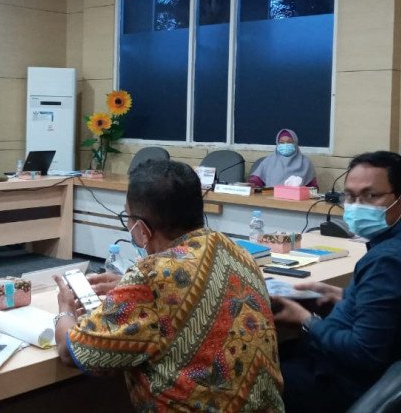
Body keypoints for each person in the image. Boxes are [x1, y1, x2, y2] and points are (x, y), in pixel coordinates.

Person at [53, 160, 284, 412]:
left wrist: (65, 309)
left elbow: (70, 351)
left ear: (142, 229)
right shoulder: (238, 253)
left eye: (127, 218)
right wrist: (128, 288)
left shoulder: (150, 276)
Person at [272, 151, 401, 412]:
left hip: (346, 382)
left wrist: (305, 320)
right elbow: (395, 308)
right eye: (350, 196)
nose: (357, 206)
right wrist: (346, 297)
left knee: (247, 370)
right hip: (383, 366)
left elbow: (364, 354)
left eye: (370, 196)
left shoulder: (388, 261)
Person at [248, 128, 318, 188]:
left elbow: (313, 187)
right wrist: (252, 185)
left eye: (289, 142)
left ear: (295, 143)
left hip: (296, 198)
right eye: (281, 142)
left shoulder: (305, 162)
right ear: (277, 144)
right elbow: (255, 181)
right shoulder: (269, 161)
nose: (285, 145)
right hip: (270, 197)